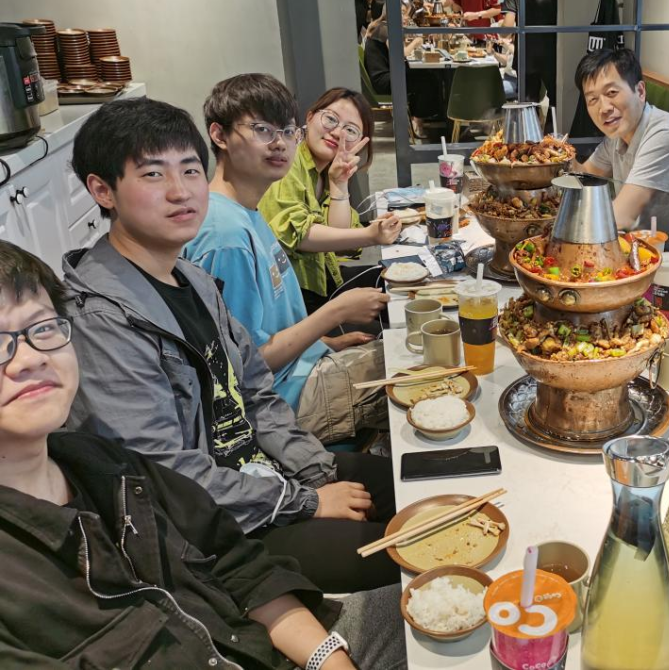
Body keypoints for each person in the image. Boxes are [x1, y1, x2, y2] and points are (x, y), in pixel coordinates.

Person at [0, 241, 405, 669]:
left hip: (257, 633)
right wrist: (304, 502)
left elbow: (236, 564)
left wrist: (326, 657)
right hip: (251, 526)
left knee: (437, 569)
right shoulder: (112, 320)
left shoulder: (105, 465)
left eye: (42, 328)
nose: (28, 358)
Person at [63, 97, 401, 594]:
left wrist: (315, 471)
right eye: (153, 174)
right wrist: (306, 502)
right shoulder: (101, 320)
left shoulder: (192, 279)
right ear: (102, 190)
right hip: (211, 530)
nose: (181, 191)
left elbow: (255, 391)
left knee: (422, 484)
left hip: (263, 472)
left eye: (190, 170)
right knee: (414, 553)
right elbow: (165, 475)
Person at [183, 74, 389, 447]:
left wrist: (325, 341)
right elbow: (242, 367)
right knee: (421, 363)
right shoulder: (225, 236)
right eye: (262, 129)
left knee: (410, 342)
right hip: (279, 402)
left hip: (302, 365)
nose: (279, 143)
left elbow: (266, 328)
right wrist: (338, 311)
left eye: (287, 131)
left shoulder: (247, 211)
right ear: (219, 135)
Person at [258, 88, 401, 315]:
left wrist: (339, 184)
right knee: (398, 302)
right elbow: (300, 236)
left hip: (322, 281)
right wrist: (371, 235)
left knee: (404, 284)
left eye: (350, 130)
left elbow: (339, 239)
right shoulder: (288, 161)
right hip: (292, 299)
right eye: (331, 119)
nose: (337, 133)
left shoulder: (328, 171)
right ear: (310, 117)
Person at [573, 47, 669, 254]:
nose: (604, 108)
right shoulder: (617, 136)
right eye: (593, 99)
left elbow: (621, 216)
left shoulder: (665, 135)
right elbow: (583, 179)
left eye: (611, 93)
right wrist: (557, 156)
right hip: (641, 254)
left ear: (640, 91)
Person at [502, 0, 558, 113]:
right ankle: (554, 128)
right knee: (557, 101)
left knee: (528, 104)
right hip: (553, 53)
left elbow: (508, 28)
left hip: (526, 55)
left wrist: (502, 32)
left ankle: (531, 130)